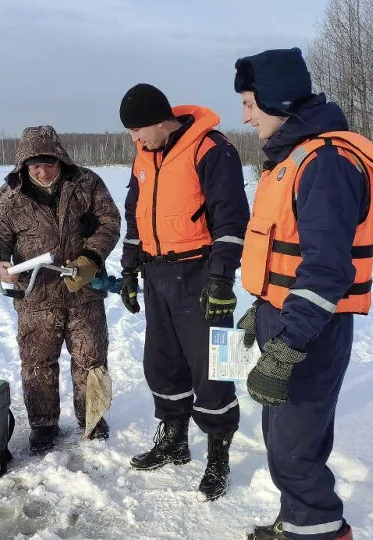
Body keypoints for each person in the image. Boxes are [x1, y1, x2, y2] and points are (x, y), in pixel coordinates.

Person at [233, 48, 373, 540]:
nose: (245, 114)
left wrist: (287, 345)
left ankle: (320, 532)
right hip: (285, 317)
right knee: (284, 441)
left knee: (295, 449)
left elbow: (327, 269)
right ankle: (301, 524)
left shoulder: (325, 163)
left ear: (277, 99)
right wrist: (260, 306)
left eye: (250, 102)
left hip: (309, 331)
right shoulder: (294, 158)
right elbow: (285, 251)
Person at [117, 83, 251, 501]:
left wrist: (222, 278)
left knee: (217, 366)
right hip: (157, 274)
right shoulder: (144, 156)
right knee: (161, 362)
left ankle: (218, 454)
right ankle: (174, 439)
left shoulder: (211, 149)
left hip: (201, 272)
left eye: (138, 130)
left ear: (161, 121)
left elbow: (232, 218)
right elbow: (136, 216)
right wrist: (129, 269)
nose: (134, 139)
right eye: (130, 133)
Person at [0, 125, 122, 454]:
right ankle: (43, 425)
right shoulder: (8, 197)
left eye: (48, 164)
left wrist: (91, 257)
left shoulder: (86, 183)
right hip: (36, 297)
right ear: (23, 165)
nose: (42, 171)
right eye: (34, 165)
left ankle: (93, 419)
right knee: (37, 363)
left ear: (60, 159)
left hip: (85, 291)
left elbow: (110, 221)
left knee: (92, 359)